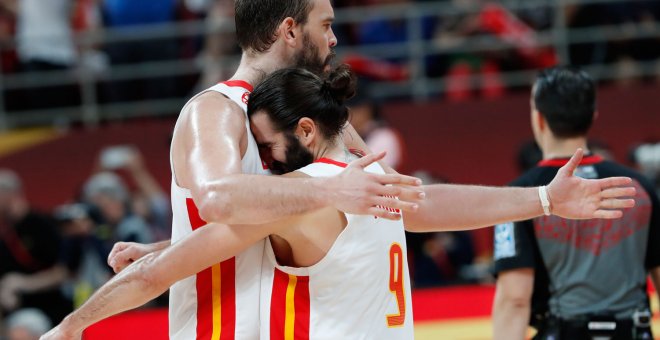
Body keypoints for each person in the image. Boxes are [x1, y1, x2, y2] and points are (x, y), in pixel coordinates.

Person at [41, 60, 637, 340]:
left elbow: (158, 277)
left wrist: (70, 327)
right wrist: (544, 200)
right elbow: (439, 204)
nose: (266, 164)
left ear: (303, 132)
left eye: (268, 147)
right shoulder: (369, 175)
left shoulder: (303, 196)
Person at [44, 1, 425, 339]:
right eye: (325, 25)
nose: (334, 39)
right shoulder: (215, 109)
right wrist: (73, 324)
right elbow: (217, 202)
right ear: (290, 30)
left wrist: (170, 244)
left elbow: (259, 230)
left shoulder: (310, 119)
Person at [492, 66, 660, 340]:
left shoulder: (519, 195)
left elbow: (515, 300)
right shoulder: (638, 187)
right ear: (592, 117)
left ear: (539, 119)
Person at [0, 170, 71, 325]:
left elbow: (62, 272)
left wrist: (24, 283)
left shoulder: (41, 225)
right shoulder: (7, 232)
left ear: (9, 195)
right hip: (19, 316)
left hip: (52, 313)